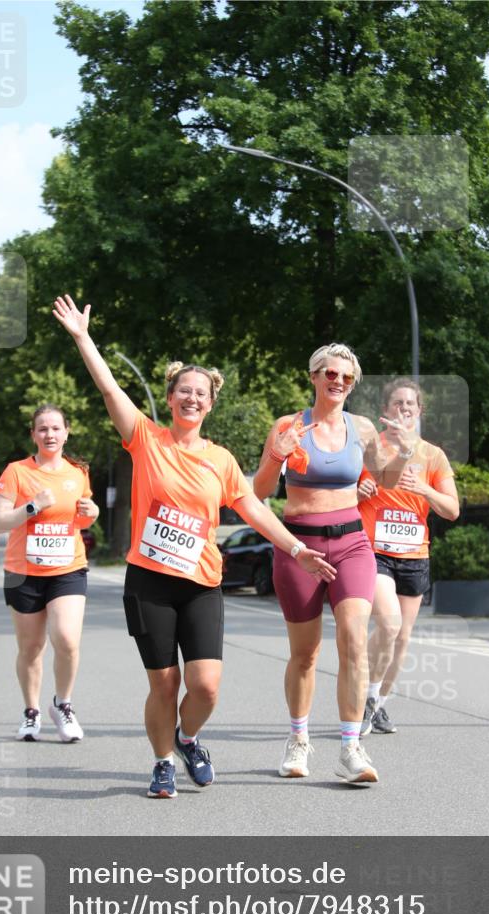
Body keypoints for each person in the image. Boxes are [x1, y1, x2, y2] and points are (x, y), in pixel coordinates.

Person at [53, 293, 331, 799]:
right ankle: (162, 762)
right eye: (184, 391)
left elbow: (254, 510)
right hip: (150, 582)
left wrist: (296, 550)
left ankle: (187, 738)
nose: (191, 399)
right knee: (163, 683)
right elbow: (109, 386)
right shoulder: (145, 437)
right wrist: (82, 337)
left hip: (201, 582)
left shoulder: (221, 461)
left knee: (204, 686)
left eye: (200, 394)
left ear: (210, 402)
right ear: (172, 395)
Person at [253, 344, 415, 785]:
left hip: (352, 546)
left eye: (346, 376)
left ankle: (350, 748)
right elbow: (261, 491)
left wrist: (402, 453)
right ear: (314, 376)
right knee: (305, 655)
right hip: (299, 548)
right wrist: (276, 455)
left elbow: (383, 480)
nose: (338, 381)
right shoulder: (288, 426)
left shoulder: (361, 428)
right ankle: (298, 739)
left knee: (354, 643)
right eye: (330, 373)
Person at [0, 405, 99, 743]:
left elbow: (79, 519)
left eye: (55, 428)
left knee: (66, 638)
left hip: (67, 568)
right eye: (42, 429)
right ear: (33, 434)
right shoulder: (16, 472)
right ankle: (31, 711)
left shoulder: (78, 472)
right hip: (22, 571)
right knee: (31, 647)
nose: (49, 435)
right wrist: (32, 506)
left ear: (67, 432)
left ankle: (63, 704)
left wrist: (91, 513)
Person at [357, 378, 459, 735]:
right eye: (396, 403)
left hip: (415, 553)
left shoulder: (433, 455)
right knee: (389, 623)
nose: (403, 409)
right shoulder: (371, 448)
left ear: (419, 412)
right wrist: (359, 490)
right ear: (385, 411)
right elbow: (346, 494)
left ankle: (377, 703)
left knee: (402, 638)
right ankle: (365, 695)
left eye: (410, 405)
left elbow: (452, 510)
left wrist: (426, 489)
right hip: (375, 550)